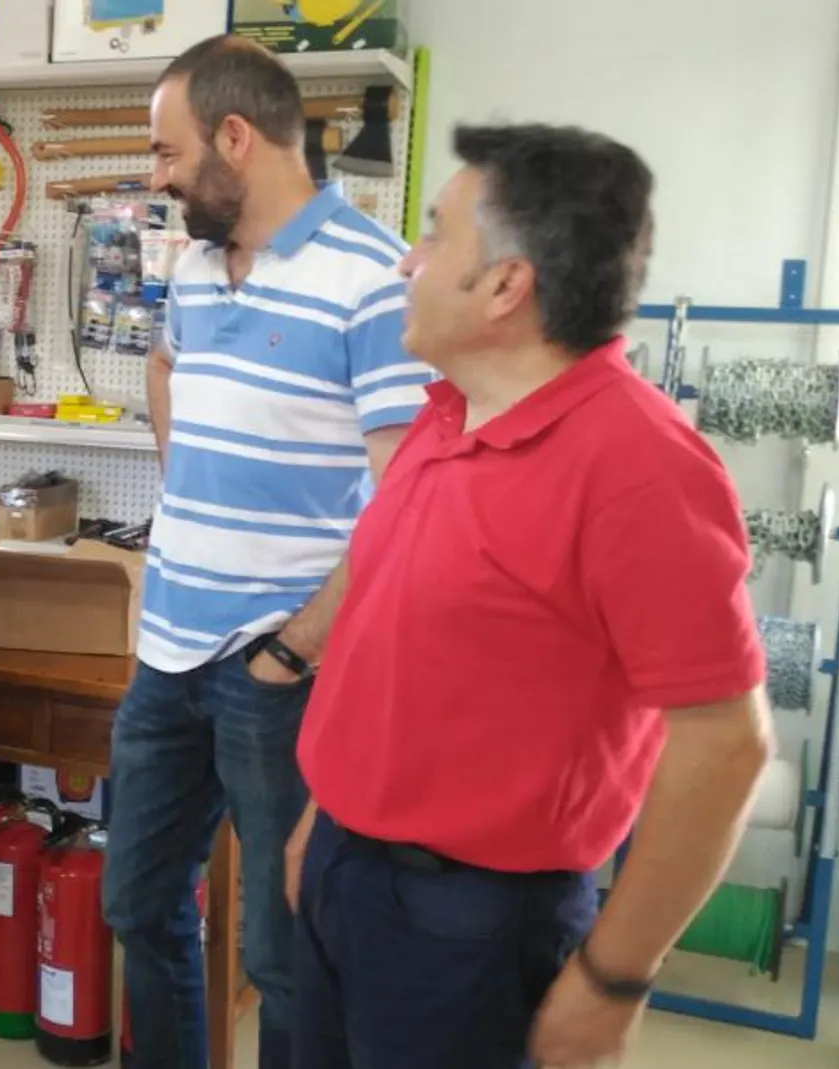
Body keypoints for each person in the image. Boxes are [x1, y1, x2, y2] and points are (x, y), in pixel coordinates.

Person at [290, 123, 776, 1069]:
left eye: (433, 236)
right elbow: (383, 648)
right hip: (349, 869)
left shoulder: (640, 465)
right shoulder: (445, 414)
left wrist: (614, 976)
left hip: (470, 923)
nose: (407, 265)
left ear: (507, 287)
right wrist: (326, 817)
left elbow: (727, 744)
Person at [104, 35, 433, 1069]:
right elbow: (166, 366)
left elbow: (410, 499)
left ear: (234, 139)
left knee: (289, 952)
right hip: (166, 655)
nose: (154, 176)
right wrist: (189, 485)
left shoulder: (373, 278)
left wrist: (296, 646)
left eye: (166, 152)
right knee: (136, 906)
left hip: (280, 670)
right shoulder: (195, 269)